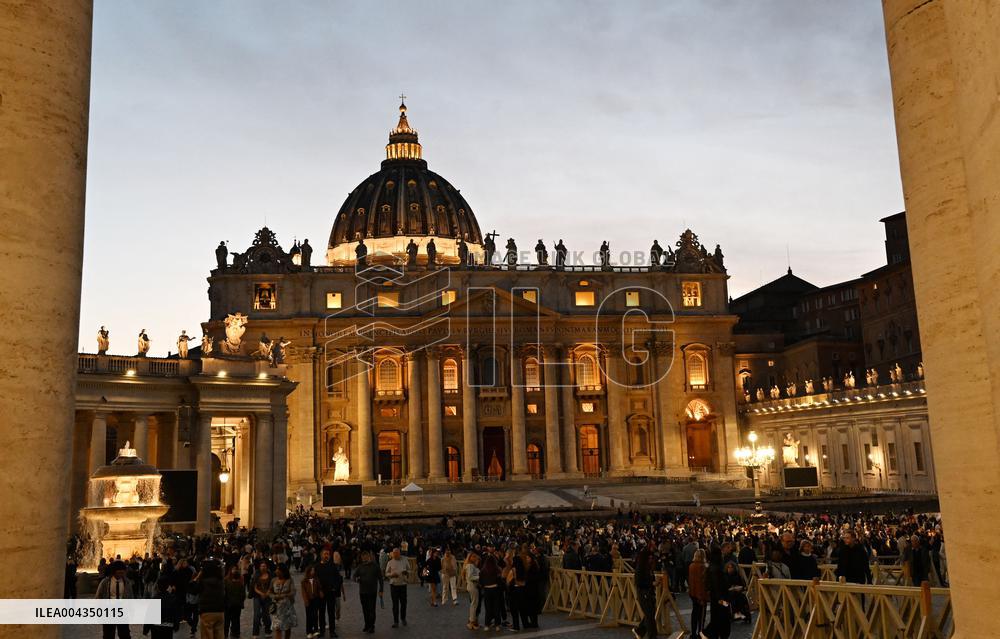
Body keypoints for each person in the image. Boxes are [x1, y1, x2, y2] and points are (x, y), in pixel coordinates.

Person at [95, 560, 133, 639]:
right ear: (114, 572)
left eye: (123, 573)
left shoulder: (127, 582)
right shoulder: (105, 582)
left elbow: (130, 597)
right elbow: (98, 596)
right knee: (108, 634)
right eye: (119, 573)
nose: (121, 575)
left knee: (125, 634)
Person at [191, 560, 225, 639]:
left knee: (207, 635)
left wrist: (197, 577)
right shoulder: (220, 581)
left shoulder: (203, 582)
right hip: (219, 611)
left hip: (207, 611)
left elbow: (192, 590)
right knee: (219, 635)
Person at [703, 546, 731, 639]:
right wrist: (723, 601)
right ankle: (709, 634)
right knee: (722, 618)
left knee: (717, 619)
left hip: (716, 599)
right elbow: (717, 586)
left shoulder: (712, 567)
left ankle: (712, 634)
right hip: (720, 599)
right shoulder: (716, 569)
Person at [315, 547, 344, 637]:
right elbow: (315, 580)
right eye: (325, 554)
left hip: (331, 593)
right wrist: (318, 591)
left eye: (328, 554)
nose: (326, 556)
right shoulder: (317, 567)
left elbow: (339, 578)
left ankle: (332, 631)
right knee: (321, 613)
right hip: (321, 594)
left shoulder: (332, 566)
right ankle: (322, 631)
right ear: (321, 555)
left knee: (331, 613)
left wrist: (335, 588)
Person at [632, 540, 657, 639]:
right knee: (650, 615)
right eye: (650, 558)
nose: (651, 559)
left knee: (650, 613)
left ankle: (640, 630)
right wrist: (651, 583)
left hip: (649, 592)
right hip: (643, 592)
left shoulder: (648, 567)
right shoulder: (641, 567)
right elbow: (639, 581)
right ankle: (652, 636)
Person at [354, 550, 384, 634]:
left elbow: (380, 578)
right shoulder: (360, 567)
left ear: (369, 557)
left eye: (366, 557)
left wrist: (381, 589)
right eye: (363, 557)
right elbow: (354, 576)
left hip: (372, 591)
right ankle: (367, 625)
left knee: (371, 609)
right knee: (365, 610)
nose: (364, 558)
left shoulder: (375, 566)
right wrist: (356, 579)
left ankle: (372, 626)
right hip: (362, 592)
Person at [384, 547, 409, 627]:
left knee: (403, 603)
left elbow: (409, 569)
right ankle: (396, 621)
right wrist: (392, 575)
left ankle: (403, 618)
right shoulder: (390, 562)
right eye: (394, 553)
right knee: (395, 604)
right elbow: (386, 573)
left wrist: (406, 572)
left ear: (399, 553)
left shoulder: (405, 560)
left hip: (403, 585)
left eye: (397, 553)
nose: (395, 555)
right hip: (394, 585)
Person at [271, 564, 298, 639]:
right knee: (277, 627)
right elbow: (270, 591)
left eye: (278, 569)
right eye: (276, 569)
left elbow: (293, 591)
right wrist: (274, 596)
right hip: (277, 607)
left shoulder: (289, 580)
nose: (276, 571)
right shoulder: (273, 580)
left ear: (282, 571)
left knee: (287, 627)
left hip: (287, 607)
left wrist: (284, 595)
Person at [687, 549, 709, 637]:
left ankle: (693, 633)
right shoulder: (703, 566)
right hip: (701, 594)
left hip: (693, 593)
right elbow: (702, 583)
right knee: (701, 615)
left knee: (694, 613)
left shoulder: (691, 566)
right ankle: (700, 632)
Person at [251, 561, 273, 637]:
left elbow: (271, 586)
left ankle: (268, 631)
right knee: (256, 614)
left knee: (266, 614)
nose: (263, 567)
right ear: (259, 567)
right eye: (262, 566)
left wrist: (267, 593)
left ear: (267, 567)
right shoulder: (256, 575)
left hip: (267, 597)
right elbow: (254, 587)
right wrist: (261, 593)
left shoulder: (270, 575)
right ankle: (255, 633)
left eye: (264, 566)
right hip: (257, 596)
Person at [223, 564, 245, 639]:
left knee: (235, 620)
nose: (234, 570)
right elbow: (224, 593)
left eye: (235, 569)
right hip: (229, 604)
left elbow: (242, 594)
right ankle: (228, 633)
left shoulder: (240, 581)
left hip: (236, 604)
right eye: (233, 569)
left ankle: (234, 633)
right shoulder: (226, 580)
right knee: (228, 620)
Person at [301, 565, 322, 638]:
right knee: (309, 616)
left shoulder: (316, 579)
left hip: (315, 599)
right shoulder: (304, 581)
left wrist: (320, 592)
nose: (313, 571)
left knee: (315, 615)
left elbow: (319, 588)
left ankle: (315, 630)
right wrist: (305, 600)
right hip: (308, 600)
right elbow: (303, 592)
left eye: (314, 570)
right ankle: (309, 631)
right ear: (309, 571)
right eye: (312, 570)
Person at [463, 552, 481, 630]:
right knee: (474, 604)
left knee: (474, 604)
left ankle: (472, 621)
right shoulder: (470, 565)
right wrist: (480, 577)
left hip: (472, 586)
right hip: (472, 586)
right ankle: (471, 622)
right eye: (473, 557)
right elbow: (470, 577)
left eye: (475, 557)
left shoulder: (471, 565)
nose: (475, 558)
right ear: (470, 558)